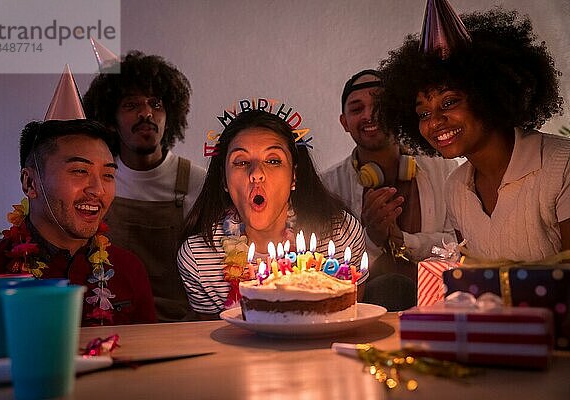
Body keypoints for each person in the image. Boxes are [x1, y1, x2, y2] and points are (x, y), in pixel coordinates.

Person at [377, 7, 569, 261]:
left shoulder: (562, 164)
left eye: (449, 103)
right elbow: (473, 277)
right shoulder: (456, 187)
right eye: (423, 114)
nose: (434, 122)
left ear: (489, 96)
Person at [0, 119, 157, 335]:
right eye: (79, 171)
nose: (98, 190)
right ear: (30, 183)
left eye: (108, 175)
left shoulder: (129, 269)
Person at [177, 110, 367, 318]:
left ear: (294, 176)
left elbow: (349, 320)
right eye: (241, 162)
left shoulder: (340, 235)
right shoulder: (200, 258)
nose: (256, 174)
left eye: (273, 160)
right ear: (223, 180)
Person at [84, 51, 206, 322]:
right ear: (110, 119)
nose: (146, 113)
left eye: (156, 103)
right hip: (110, 326)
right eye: (131, 105)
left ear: (170, 114)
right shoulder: (97, 184)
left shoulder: (198, 183)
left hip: (177, 328)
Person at [322, 69, 457, 310]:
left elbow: (457, 244)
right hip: (359, 312)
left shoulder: (442, 167)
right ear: (344, 122)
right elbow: (329, 265)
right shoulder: (329, 185)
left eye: (380, 105)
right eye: (356, 109)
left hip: (437, 306)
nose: (370, 115)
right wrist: (371, 238)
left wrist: (405, 241)